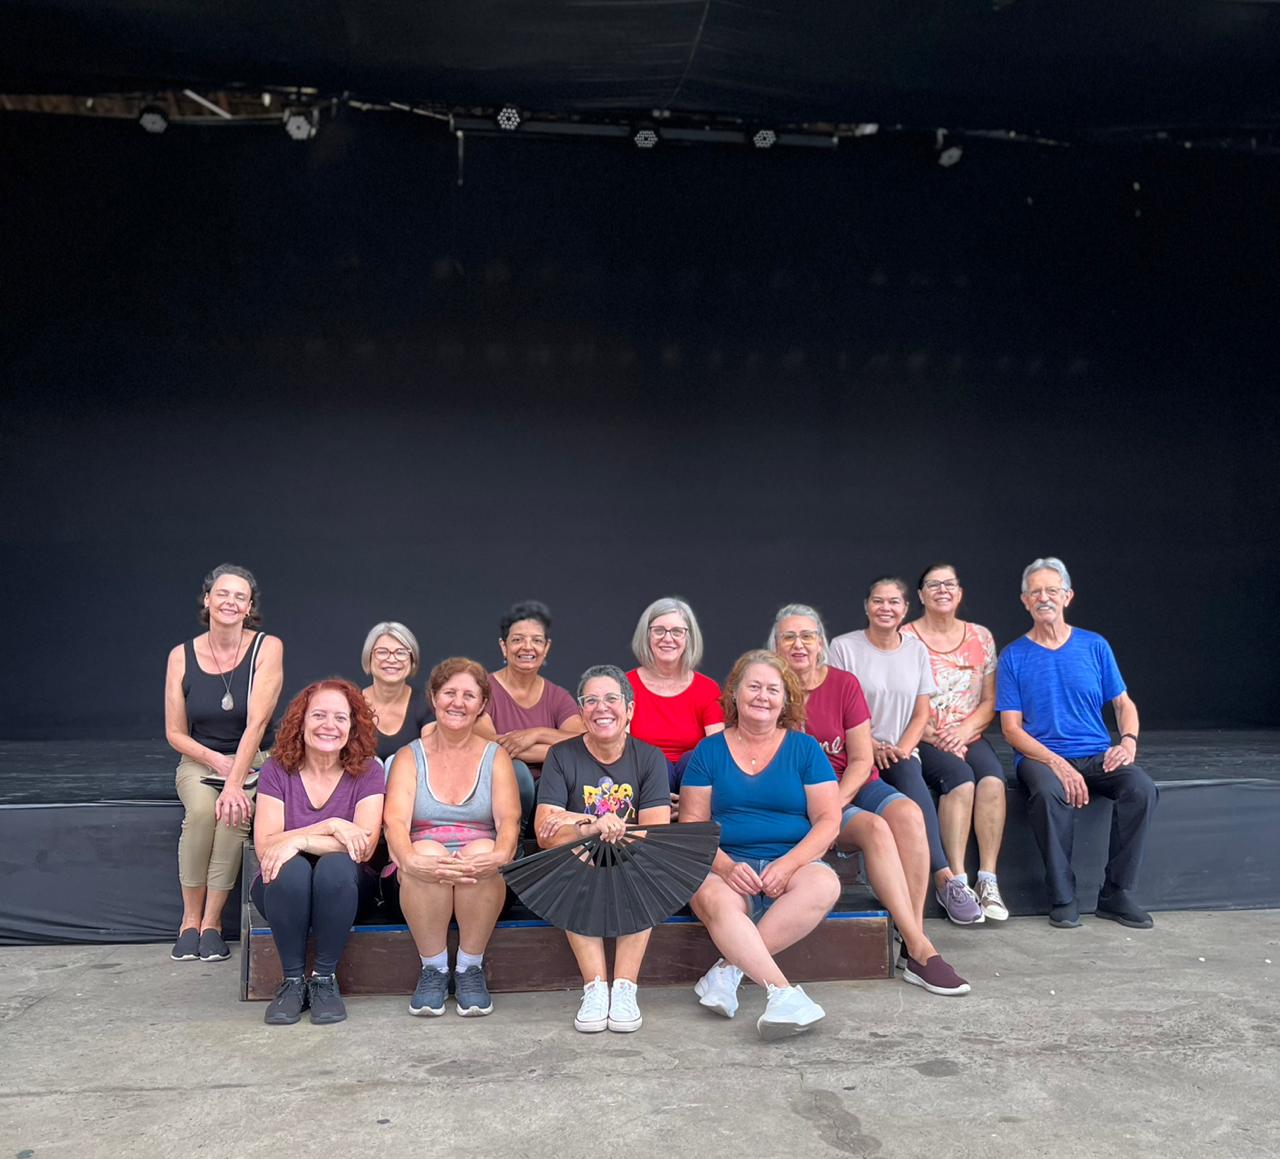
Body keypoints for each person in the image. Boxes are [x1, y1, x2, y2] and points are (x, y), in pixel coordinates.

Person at [771, 605, 969, 996]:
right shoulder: (769, 687)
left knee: (909, 814)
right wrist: (825, 810)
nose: (799, 644)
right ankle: (920, 950)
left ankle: (912, 940)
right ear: (775, 646)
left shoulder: (844, 684)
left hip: (851, 784)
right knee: (876, 828)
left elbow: (862, 760)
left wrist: (835, 804)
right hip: (801, 796)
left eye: (807, 636)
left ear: (821, 644)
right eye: (788, 637)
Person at [680, 650, 841, 1040]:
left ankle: (727, 970)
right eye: (753, 686)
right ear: (734, 693)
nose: (762, 696)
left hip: (792, 862)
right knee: (717, 901)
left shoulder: (804, 749)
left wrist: (788, 864)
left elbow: (828, 821)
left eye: (773, 689)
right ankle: (782, 993)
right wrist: (725, 867)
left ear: (785, 699)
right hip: (725, 863)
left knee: (826, 884)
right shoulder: (710, 751)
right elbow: (692, 824)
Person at [998, 557, 1158, 929]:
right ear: (1024, 601)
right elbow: (1011, 730)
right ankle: (1062, 896)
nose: (1043, 598)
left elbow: (1123, 704)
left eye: (1051, 590)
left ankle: (1116, 894)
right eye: (1035, 591)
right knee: (1049, 793)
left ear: (1067, 596)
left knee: (1141, 788)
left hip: (1095, 752)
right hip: (1039, 757)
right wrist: (1057, 763)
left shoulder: (1094, 646)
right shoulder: (1013, 656)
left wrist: (1128, 743)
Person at [828, 578, 984, 925]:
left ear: (905, 609)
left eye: (894, 602)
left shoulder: (914, 650)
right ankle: (942, 876)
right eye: (878, 601)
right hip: (853, 747)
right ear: (866, 605)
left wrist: (901, 747)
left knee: (912, 773)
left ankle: (945, 878)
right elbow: (834, 706)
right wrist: (869, 745)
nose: (886, 608)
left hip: (899, 748)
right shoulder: (843, 647)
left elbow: (921, 711)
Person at [535, 665, 672, 1033]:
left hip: (633, 857)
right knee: (577, 863)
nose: (601, 708)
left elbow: (655, 832)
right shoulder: (561, 755)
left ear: (630, 709)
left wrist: (576, 824)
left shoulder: (649, 757)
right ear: (581, 712)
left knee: (635, 867)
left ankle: (625, 988)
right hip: (577, 862)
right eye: (591, 701)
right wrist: (593, 825)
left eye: (611, 699)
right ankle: (595, 988)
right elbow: (545, 833)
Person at [384, 658, 522, 1017]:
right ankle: (434, 969)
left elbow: (509, 821)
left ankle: (469, 968)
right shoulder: (408, 757)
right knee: (426, 851)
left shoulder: (496, 757)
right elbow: (395, 822)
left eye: (468, 695)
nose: (457, 702)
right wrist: (409, 858)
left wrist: (500, 854)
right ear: (433, 697)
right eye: (449, 693)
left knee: (483, 850)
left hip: (481, 865)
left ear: (482, 705)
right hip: (419, 863)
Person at [164, 563, 283, 964]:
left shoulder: (268, 647)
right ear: (207, 600)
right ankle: (189, 921)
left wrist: (235, 779)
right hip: (200, 759)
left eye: (240, 596)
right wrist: (218, 762)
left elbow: (259, 722)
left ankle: (212, 924)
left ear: (250, 607)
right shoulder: (181, 656)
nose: (230, 602)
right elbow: (176, 733)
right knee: (200, 813)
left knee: (234, 814)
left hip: (255, 760)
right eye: (222, 594)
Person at [252, 679, 385, 1026]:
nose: (330, 725)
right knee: (292, 870)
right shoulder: (276, 769)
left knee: (335, 867)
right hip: (282, 889)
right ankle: (293, 982)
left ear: (353, 726)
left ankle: (324, 980)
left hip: (347, 887)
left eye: (341, 718)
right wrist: (330, 826)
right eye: (319, 715)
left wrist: (298, 840)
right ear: (301, 721)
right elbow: (267, 844)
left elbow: (364, 846)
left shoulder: (369, 771)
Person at [902, 564, 1009, 921]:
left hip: (968, 732)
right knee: (961, 781)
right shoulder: (907, 638)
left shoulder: (980, 636)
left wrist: (962, 732)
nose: (942, 590)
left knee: (993, 781)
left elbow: (989, 700)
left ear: (960, 593)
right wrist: (936, 735)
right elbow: (902, 699)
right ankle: (956, 881)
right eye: (933, 585)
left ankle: (988, 881)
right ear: (920, 596)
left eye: (949, 584)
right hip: (924, 735)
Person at [476, 600, 583, 823]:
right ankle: (515, 840)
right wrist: (555, 752)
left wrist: (536, 734)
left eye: (536, 640)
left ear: (546, 647)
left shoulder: (558, 696)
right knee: (517, 772)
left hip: (550, 795)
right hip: (495, 792)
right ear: (503, 646)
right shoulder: (483, 689)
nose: (527, 647)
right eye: (517, 640)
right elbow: (488, 745)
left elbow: (581, 744)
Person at [627, 596, 725, 792]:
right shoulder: (625, 684)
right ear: (646, 636)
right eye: (659, 631)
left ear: (689, 638)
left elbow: (718, 752)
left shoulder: (707, 688)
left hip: (693, 783)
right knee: (655, 761)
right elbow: (620, 749)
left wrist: (694, 801)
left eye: (677, 632)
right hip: (640, 785)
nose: (668, 638)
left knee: (694, 758)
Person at [360, 621, 433, 765]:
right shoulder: (349, 704)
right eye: (382, 652)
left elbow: (428, 762)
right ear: (368, 657)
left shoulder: (427, 704)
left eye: (401, 653)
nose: (392, 659)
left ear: (412, 660)